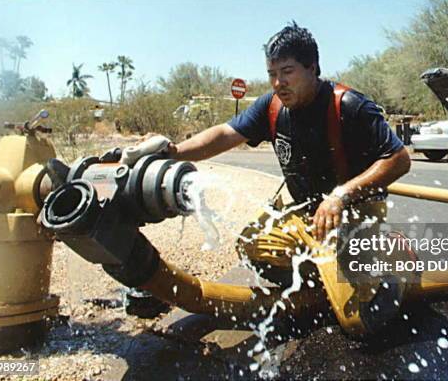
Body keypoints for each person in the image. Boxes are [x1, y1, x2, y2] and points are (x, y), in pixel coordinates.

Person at [165, 22, 410, 242]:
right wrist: (173, 153)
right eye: (272, 74)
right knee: (254, 246)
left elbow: (399, 159)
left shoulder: (349, 105)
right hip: (306, 214)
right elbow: (224, 134)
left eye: (287, 72)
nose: (277, 83)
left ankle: (393, 250)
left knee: (353, 288)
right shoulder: (271, 106)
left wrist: (340, 196)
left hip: (356, 215)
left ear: (312, 68)